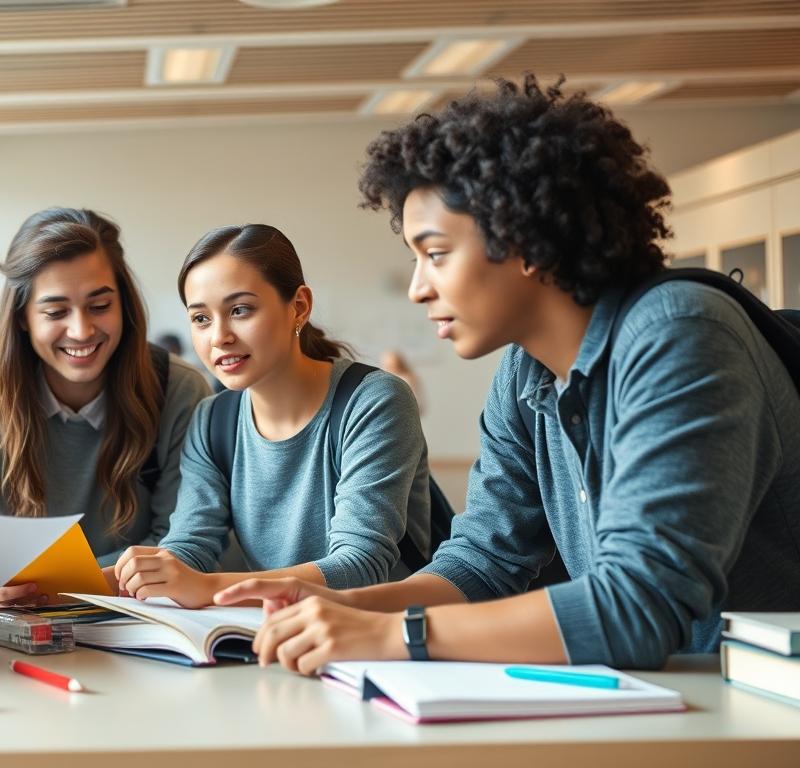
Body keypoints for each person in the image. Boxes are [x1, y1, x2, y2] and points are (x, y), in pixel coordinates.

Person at [217, 76, 800, 673]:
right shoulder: (526, 371)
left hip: (762, 703)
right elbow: (482, 563)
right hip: (671, 700)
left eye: (435, 254)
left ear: (527, 241)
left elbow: (638, 606)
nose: (418, 288)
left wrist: (395, 633)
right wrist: (343, 606)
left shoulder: (680, 333)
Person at [114, 224, 430, 608]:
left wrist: (207, 587)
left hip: (381, 632)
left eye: (240, 310)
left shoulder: (373, 400)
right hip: (276, 630)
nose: (219, 337)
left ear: (299, 307)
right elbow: (189, 548)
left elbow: (361, 564)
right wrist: (82, 581)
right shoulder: (212, 420)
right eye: (201, 319)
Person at [0, 207, 211, 606]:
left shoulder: (179, 390)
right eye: (55, 312)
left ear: (124, 305)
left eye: (100, 306)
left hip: (142, 615)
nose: (81, 330)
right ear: (22, 317)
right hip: (21, 617)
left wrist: (57, 587)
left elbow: (185, 543)